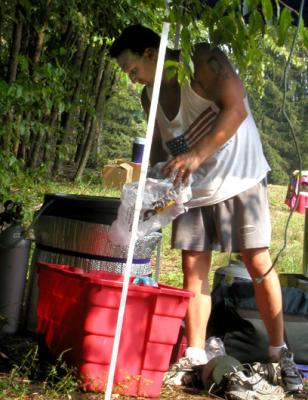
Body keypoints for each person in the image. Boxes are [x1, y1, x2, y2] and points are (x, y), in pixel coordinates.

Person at [109, 24, 303, 392]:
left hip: (240, 176)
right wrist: (152, 193)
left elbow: (237, 109)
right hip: (194, 188)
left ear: (151, 53)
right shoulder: (149, 97)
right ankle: (195, 356)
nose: (132, 79)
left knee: (257, 261)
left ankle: (280, 356)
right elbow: (160, 151)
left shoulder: (203, 61)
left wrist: (197, 155)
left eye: (133, 70)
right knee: (192, 270)